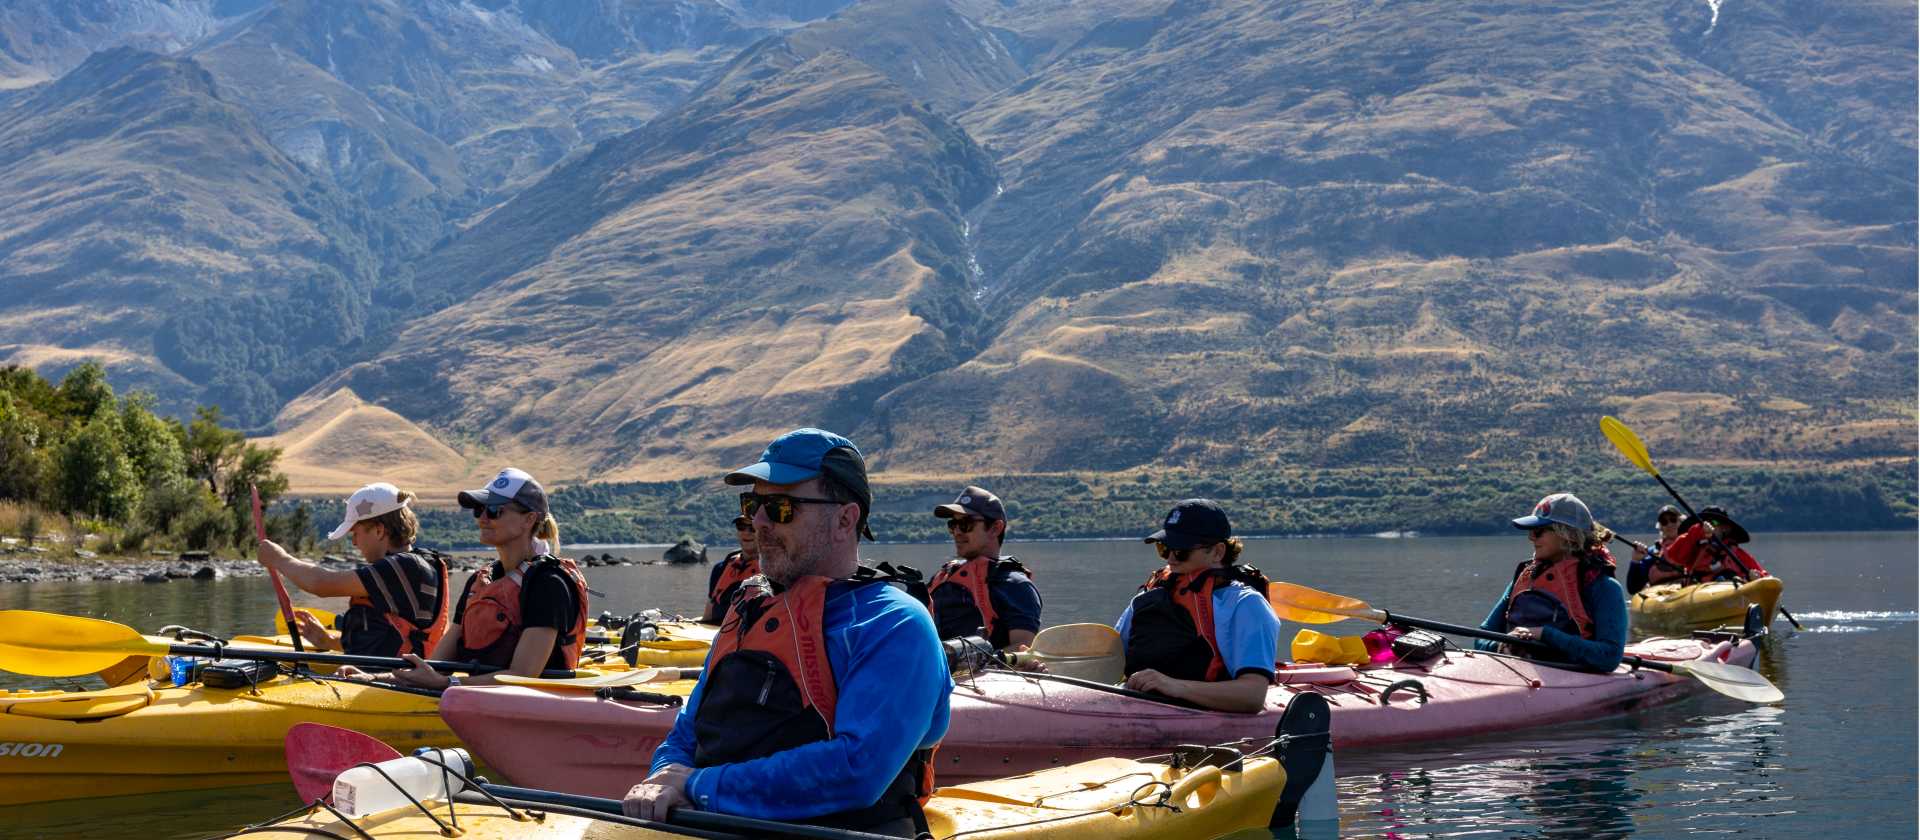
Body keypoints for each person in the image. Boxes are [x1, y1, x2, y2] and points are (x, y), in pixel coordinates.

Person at [623, 429, 949, 837]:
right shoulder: (750, 608)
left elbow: (857, 770)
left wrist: (695, 786)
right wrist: (665, 774)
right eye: (753, 503)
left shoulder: (894, 624)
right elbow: (690, 726)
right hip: (713, 825)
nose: (757, 522)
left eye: (781, 507)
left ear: (845, 519)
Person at [388, 468, 590, 689]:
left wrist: (447, 683)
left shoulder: (549, 583)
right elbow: (437, 666)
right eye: (479, 510)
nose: (483, 518)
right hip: (475, 695)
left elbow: (523, 674)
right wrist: (375, 678)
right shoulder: (480, 581)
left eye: (494, 510)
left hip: (534, 704)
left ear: (529, 519)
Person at [255, 482, 450, 669]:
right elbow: (386, 637)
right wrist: (329, 641)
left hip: (393, 685)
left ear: (379, 530)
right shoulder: (410, 567)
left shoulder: (403, 567)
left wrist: (279, 558)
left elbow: (321, 584)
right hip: (384, 678)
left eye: (355, 533)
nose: (355, 543)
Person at [1115, 499, 1280, 713]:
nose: (1171, 559)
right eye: (1164, 548)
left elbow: (1252, 696)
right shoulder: (1147, 598)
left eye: (1181, 551)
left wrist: (1173, 686)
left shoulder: (1246, 605)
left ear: (1217, 552)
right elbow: (1109, 657)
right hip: (1136, 706)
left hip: (1209, 717)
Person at [1476, 493, 1626, 672]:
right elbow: (1481, 637)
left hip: (1571, 680)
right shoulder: (1525, 578)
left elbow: (1609, 657)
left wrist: (1544, 635)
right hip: (1517, 674)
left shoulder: (1603, 587)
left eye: (1539, 531)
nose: (1531, 537)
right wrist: (1502, 647)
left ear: (1568, 535)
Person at [927, 485, 1043, 651]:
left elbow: (1023, 649)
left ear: (995, 528)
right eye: (953, 524)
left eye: (966, 524)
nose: (957, 532)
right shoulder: (942, 578)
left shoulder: (1015, 585)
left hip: (985, 674)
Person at [1649, 505, 1767, 585]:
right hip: (1699, 589)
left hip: (1730, 587)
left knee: (1732, 577)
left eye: (1714, 523)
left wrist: (1757, 577)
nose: (1710, 526)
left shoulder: (1735, 552)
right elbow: (1674, 554)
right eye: (1707, 522)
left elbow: (1764, 575)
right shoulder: (1694, 545)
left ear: (1725, 528)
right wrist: (1699, 530)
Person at [701, 514, 761, 624]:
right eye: (741, 526)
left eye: (752, 528)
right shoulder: (720, 568)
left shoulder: (773, 570)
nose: (746, 532)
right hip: (715, 632)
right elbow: (709, 612)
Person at [1625, 505, 1683, 593]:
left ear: (1681, 522)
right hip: (1661, 597)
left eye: (1673, 520)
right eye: (1664, 522)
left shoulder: (1694, 545)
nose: (1669, 524)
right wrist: (1635, 561)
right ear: (1661, 527)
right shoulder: (1652, 553)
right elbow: (1633, 589)